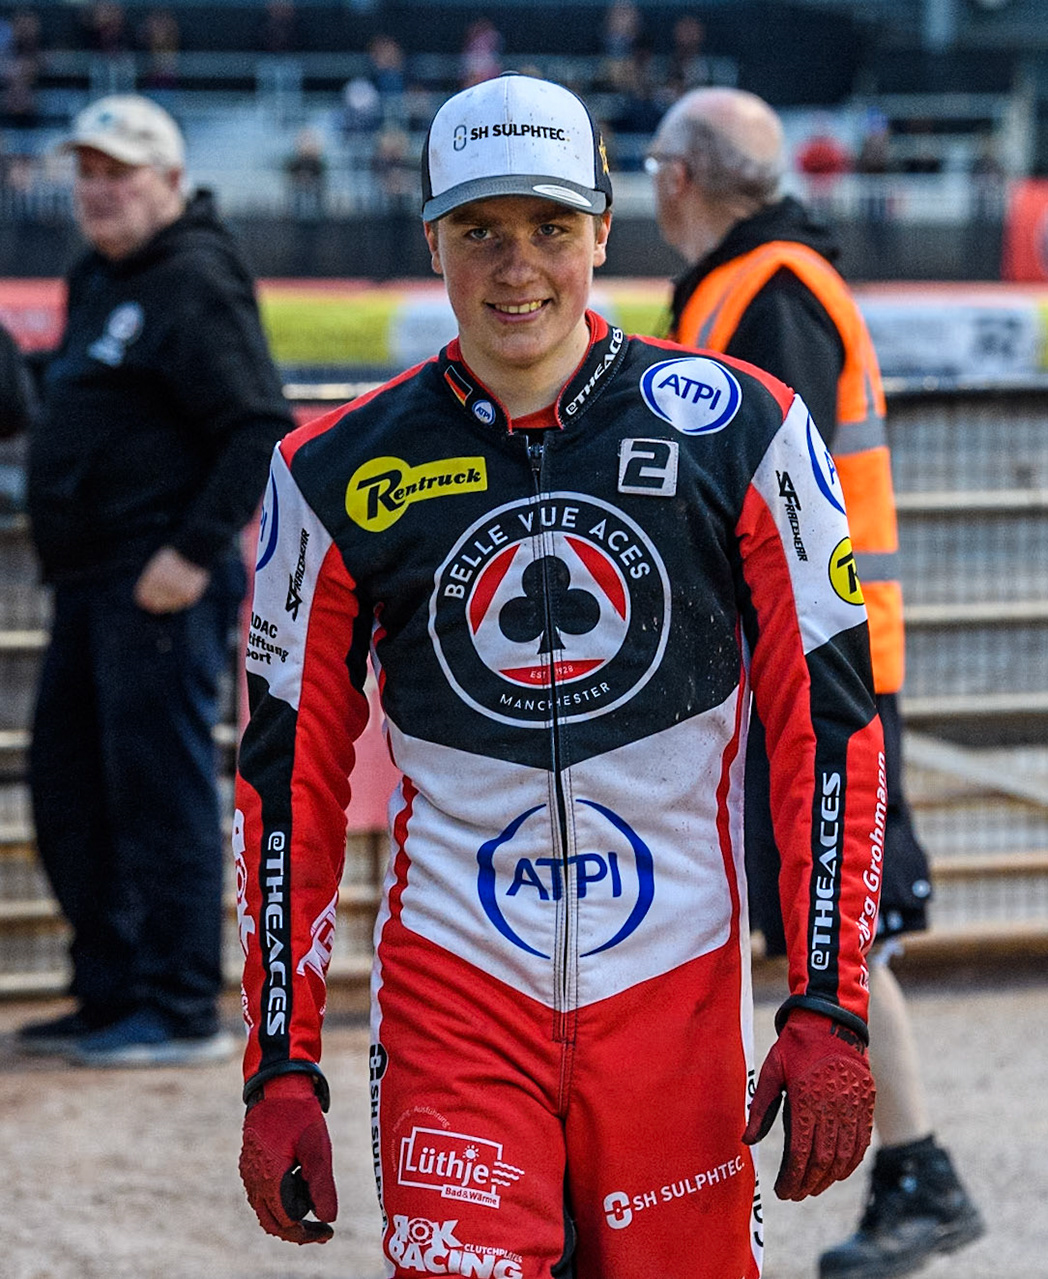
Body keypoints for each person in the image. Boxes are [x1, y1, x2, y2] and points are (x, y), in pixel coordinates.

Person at [232, 74, 882, 1278]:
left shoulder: (748, 427)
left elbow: (829, 723)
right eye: (480, 230)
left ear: (603, 230)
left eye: (548, 229)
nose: (515, 266)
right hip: (455, 996)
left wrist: (827, 1001)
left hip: (675, 993)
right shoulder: (325, 470)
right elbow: (282, 780)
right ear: (432, 239)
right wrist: (281, 1058)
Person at [654, 87, 984, 1279]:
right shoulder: (757, 283)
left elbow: (759, 497)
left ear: (677, 180)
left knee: (842, 924)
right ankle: (913, 1171)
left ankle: (919, 1171)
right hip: (802, 659)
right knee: (825, 924)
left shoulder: (767, 291)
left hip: (814, 667)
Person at [12, 93, 291, 1066]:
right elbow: (84, 398)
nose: (98, 191)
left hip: (158, 583)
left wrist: (190, 552)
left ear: (170, 182)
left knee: (160, 790)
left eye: (119, 174)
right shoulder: (102, 274)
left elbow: (257, 426)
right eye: (87, 174)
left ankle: (177, 1005)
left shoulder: (195, 280)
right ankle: (110, 989)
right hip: (90, 582)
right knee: (71, 786)